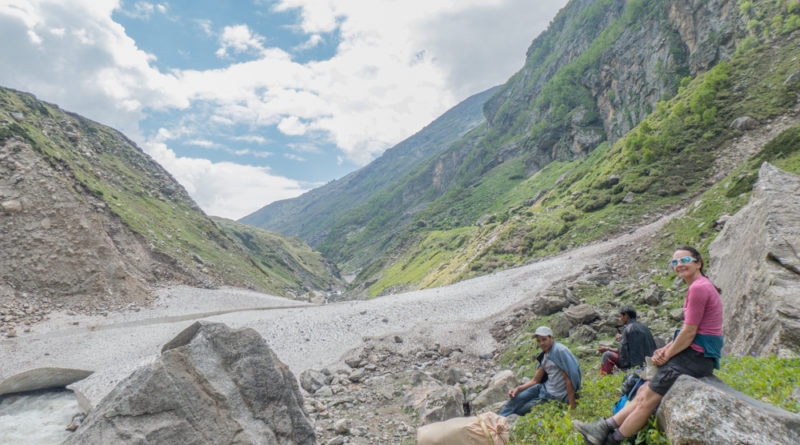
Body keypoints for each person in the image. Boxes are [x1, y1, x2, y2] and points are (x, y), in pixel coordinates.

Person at [573, 246, 723, 445]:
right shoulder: (700, 285)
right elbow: (689, 329)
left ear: (698, 262)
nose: (679, 265)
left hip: (695, 357)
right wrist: (667, 348)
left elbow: (689, 333)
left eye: (684, 260)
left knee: (648, 400)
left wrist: (667, 355)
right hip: (696, 355)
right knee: (643, 390)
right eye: (675, 262)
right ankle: (603, 427)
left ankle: (611, 440)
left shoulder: (698, 288)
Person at [499, 326, 582, 416]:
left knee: (521, 410)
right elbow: (536, 380)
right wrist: (518, 389)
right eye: (538, 341)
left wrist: (572, 408)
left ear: (552, 338)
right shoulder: (544, 355)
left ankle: (504, 421)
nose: (541, 343)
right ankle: (498, 419)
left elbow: (569, 379)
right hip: (542, 388)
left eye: (544, 339)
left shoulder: (559, 352)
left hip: (553, 396)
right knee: (515, 400)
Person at [597, 306, 657, 375]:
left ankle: (604, 378)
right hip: (649, 363)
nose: (620, 319)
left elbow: (622, 351)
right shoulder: (644, 327)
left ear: (626, 316)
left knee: (606, 355)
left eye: (621, 316)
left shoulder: (628, 329)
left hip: (634, 364)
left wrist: (607, 348)